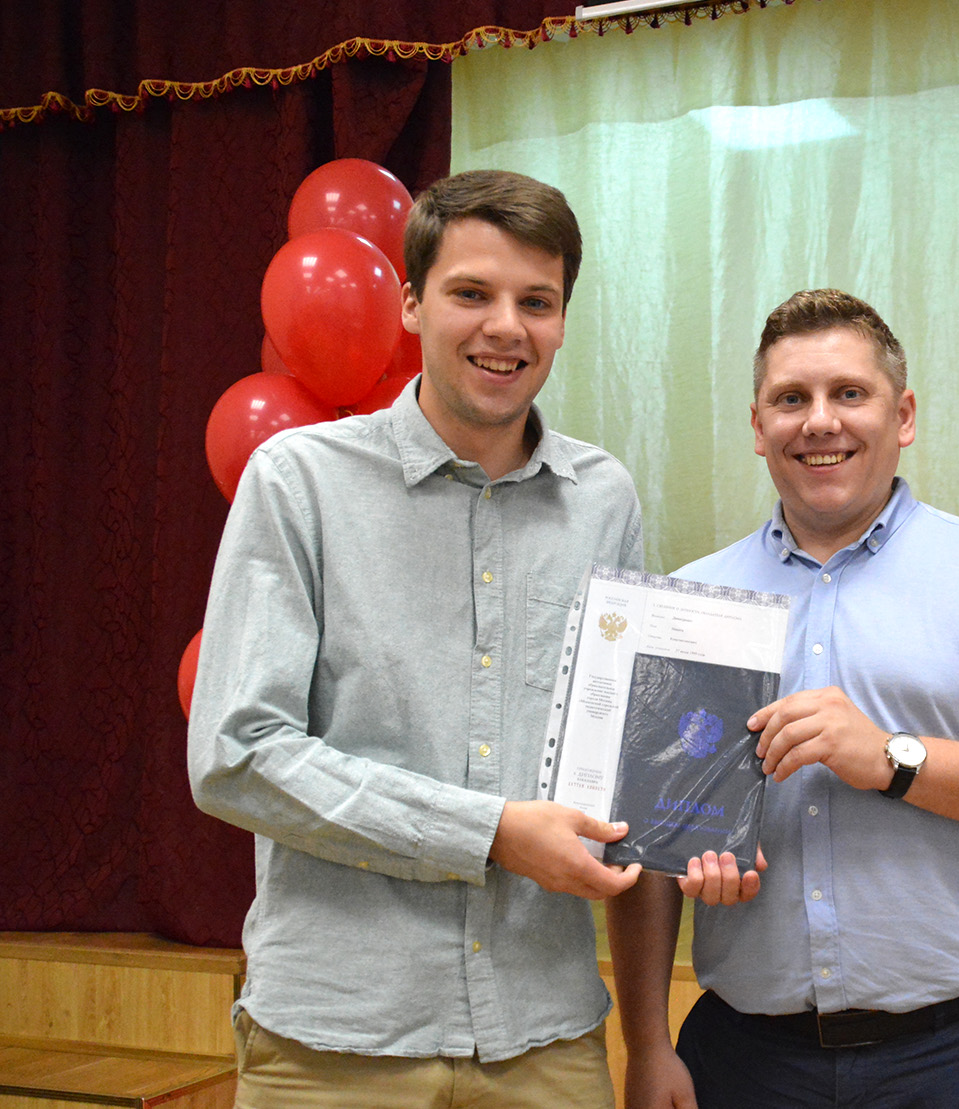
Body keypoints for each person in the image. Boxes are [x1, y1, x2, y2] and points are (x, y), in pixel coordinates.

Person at [190, 170, 646, 1107]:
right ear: (411, 303)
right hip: (335, 1044)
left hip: (547, 1037)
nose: (505, 327)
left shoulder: (605, 499)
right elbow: (237, 752)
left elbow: (621, 750)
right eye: (471, 293)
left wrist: (708, 825)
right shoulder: (299, 482)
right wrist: (490, 833)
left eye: (536, 302)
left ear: (563, 320)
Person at [608, 289, 959, 1109]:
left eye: (849, 393)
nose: (820, 421)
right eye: (791, 399)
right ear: (758, 425)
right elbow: (645, 855)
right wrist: (646, 1044)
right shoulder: (693, 602)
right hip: (746, 1064)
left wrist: (892, 758)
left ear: (903, 414)